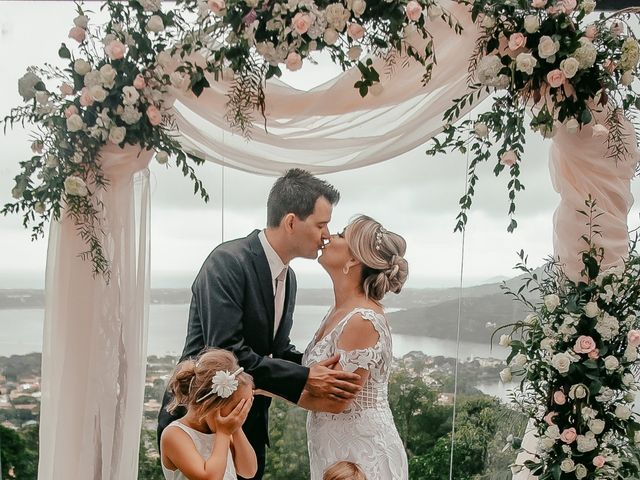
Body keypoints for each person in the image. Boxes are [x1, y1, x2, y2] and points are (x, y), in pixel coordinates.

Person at [158, 169, 362, 479]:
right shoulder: (227, 263)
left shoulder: (289, 279)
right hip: (199, 421)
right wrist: (306, 376)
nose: (326, 235)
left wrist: (316, 365)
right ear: (291, 222)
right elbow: (228, 351)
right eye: (321, 224)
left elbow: (275, 350)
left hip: (245, 429)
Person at [301, 215, 410, 479]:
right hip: (333, 447)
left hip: (361, 457)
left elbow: (335, 401)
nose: (328, 236)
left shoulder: (362, 319)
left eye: (339, 234)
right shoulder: (338, 311)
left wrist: (267, 386)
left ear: (353, 260)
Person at [160, 348, 257, 480]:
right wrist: (223, 433)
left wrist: (236, 428)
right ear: (209, 405)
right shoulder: (175, 435)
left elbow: (249, 470)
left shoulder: (225, 432)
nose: (238, 415)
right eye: (236, 408)